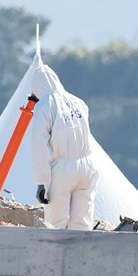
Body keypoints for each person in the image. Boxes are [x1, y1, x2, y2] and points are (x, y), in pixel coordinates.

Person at [29, 59, 100, 231]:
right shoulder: (78, 102)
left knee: (55, 225)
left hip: (62, 169)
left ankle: (55, 258)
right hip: (88, 166)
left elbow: (40, 147)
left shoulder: (44, 105)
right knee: (83, 225)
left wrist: (42, 182)